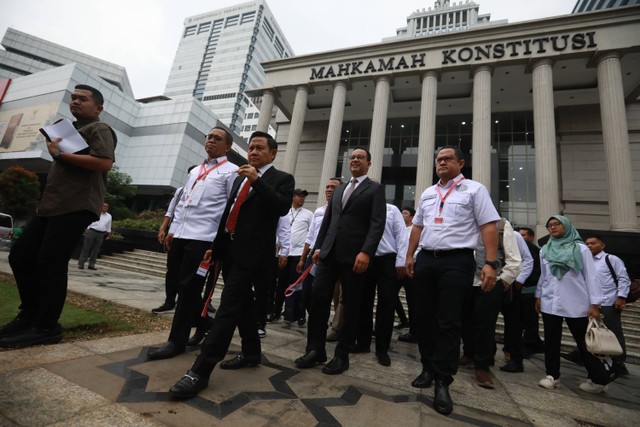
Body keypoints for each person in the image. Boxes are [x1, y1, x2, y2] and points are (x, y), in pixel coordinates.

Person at [168, 131, 294, 399]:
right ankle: (251, 353)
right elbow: (228, 213)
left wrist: (257, 180)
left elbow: (282, 207)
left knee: (227, 307)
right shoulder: (240, 179)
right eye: (251, 148)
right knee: (243, 305)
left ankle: (200, 371)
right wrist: (216, 247)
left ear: (272, 153)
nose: (254, 152)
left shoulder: (281, 179)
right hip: (229, 251)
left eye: (260, 148)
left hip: (253, 255)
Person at [0, 85, 116, 348]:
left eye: (83, 99)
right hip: (52, 205)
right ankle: (30, 316)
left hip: (76, 204)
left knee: (50, 261)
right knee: (21, 255)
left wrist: (59, 154)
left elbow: (104, 162)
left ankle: (46, 326)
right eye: (73, 98)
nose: (75, 101)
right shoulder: (69, 131)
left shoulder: (99, 129)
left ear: (98, 108)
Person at [406, 146, 500, 416]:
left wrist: (491, 264)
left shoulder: (474, 189)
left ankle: (442, 380)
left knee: (448, 321)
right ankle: (427, 367)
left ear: (460, 163)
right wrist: (410, 255)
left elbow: (488, 226)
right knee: (422, 317)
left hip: (457, 261)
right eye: (438, 159)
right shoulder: (427, 192)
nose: (442, 162)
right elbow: (418, 227)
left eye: (447, 158)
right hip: (426, 260)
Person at [147, 127, 238, 360]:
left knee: (189, 289)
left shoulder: (231, 171)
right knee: (178, 284)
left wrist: (216, 244)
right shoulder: (196, 171)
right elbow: (183, 203)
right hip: (181, 235)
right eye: (209, 137)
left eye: (218, 139)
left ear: (227, 147)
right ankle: (205, 321)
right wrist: (173, 229)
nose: (211, 141)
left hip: (204, 238)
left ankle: (176, 342)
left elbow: (230, 211)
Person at [295, 147, 386, 375]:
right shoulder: (340, 189)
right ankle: (315, 349)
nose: (355, 160)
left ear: (369, 163)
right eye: (352, 157)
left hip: (355, 258)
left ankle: (341, 355)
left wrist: (366, 252)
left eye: (360, 157)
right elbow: (328, 221)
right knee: (318, 299)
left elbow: (377, 224)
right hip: (328, 256)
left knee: (351, 305)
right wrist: (318, 247)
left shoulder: (375, 190)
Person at [535, 216, 611, 394]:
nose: (553, 228)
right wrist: (538, 295)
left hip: (576, 302)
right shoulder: (545, 249)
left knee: (584, 342)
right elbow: (544, 275)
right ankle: (552, 375)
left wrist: (595, 304)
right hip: (550, 301)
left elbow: (591, 276)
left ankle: (597, 378)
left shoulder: (581, 249)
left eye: (556, 224)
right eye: (550, 226)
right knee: (551, 340)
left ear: (566, 226)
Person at [460, 218, 521, 389]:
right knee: (464, 320)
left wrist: (505, 280)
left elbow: (513, 258)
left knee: (485, 324)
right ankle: (468, 353)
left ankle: (482, 366)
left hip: (489, 282)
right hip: (462, 280)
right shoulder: (462, 220)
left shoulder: (500, 225)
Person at [357, 203, 407, 366]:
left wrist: (401, 262)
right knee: (364, 301)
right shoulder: (362, 208)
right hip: (366, 258)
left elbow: (401, 236)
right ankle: (363, 343)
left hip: (387, 260)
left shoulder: (392, 210)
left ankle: (382, 349)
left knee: (386, 304)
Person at [296, 178, 343, 341]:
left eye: (333, 187)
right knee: (307, 293)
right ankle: (318, 322)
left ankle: (337, 328)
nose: (329, 190)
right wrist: (303, 259)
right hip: (313, 256)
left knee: (335, 296)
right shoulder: (319, 212)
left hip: (333, 257)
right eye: (327, 187)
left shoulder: (343, 212)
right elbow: (311, 236)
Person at [584, 235, 630, 376]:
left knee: (612, 333)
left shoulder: (611, 259)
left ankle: (618, 363)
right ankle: (595, 358)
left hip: (608, 302)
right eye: (587, 244)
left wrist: (621, 297)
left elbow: (623, 278)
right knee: (591, 331)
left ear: (602, 245)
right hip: (590, 304)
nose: (589, 246)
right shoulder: (585, 261)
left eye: (593, 243)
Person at [273, 189, 313, 325]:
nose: (302, 199)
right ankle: (276, 311)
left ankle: (299, 314)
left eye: (303, 197)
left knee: (296, 285)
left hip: (298, 254)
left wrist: (304, 257)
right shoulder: (284, 212)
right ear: (292, 197)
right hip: (284, 253)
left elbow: (311, 235)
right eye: (299, 196)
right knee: (280, 284)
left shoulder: (308, 214)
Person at [498, 228, 533, 373]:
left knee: (513, 323)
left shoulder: (513, 235)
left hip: (509, 283)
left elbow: (527, 259)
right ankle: (485, 355)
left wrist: (518, 280)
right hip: (487, 281)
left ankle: (515, 359)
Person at [515, 227, 544, 356]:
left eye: (524, 235)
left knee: (530, 318)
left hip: (530, 289)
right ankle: (533, 342)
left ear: (531, 237)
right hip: (521, 288)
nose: (521, 238)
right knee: (522, 318)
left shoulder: (536, 251)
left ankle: (530, 343)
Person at [398, 207, 418, 343]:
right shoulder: (399, 229)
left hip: (410, 268)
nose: (402, 215)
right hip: (398, 267)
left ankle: (414, 331)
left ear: (412, 217)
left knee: (412, 300)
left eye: (405, 213)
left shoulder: (415, 230)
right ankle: (403, 320)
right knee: (389, 294)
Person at [77, 202, 112, 270]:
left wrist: (109, 234)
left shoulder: (109, 216)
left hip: (101, 233)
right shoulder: (96, 213)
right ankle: (81, 264)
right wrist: (87, 228)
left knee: (96, 250)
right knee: (86, 248)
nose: (105, 208)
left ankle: (91, 265)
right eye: (103, 206)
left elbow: (109, 226)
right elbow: (89, 220)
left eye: (106, 207)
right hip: (92, 231)